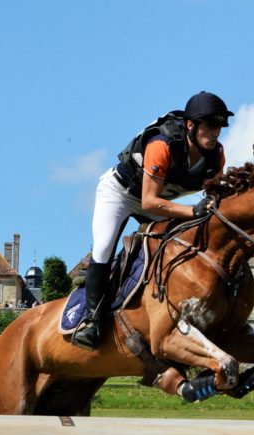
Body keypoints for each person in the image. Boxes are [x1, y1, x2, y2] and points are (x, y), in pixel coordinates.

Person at [71, 92, 233, 350]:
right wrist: (193, 212)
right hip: (121, 194)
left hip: (160, 203)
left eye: (219, 127)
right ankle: (91, 322)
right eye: (210, 126)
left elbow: (215, 200)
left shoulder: (217, 156)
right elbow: (148, 201)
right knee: (103, 248)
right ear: (191, 125)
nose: (216, 133)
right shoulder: (162, 144)